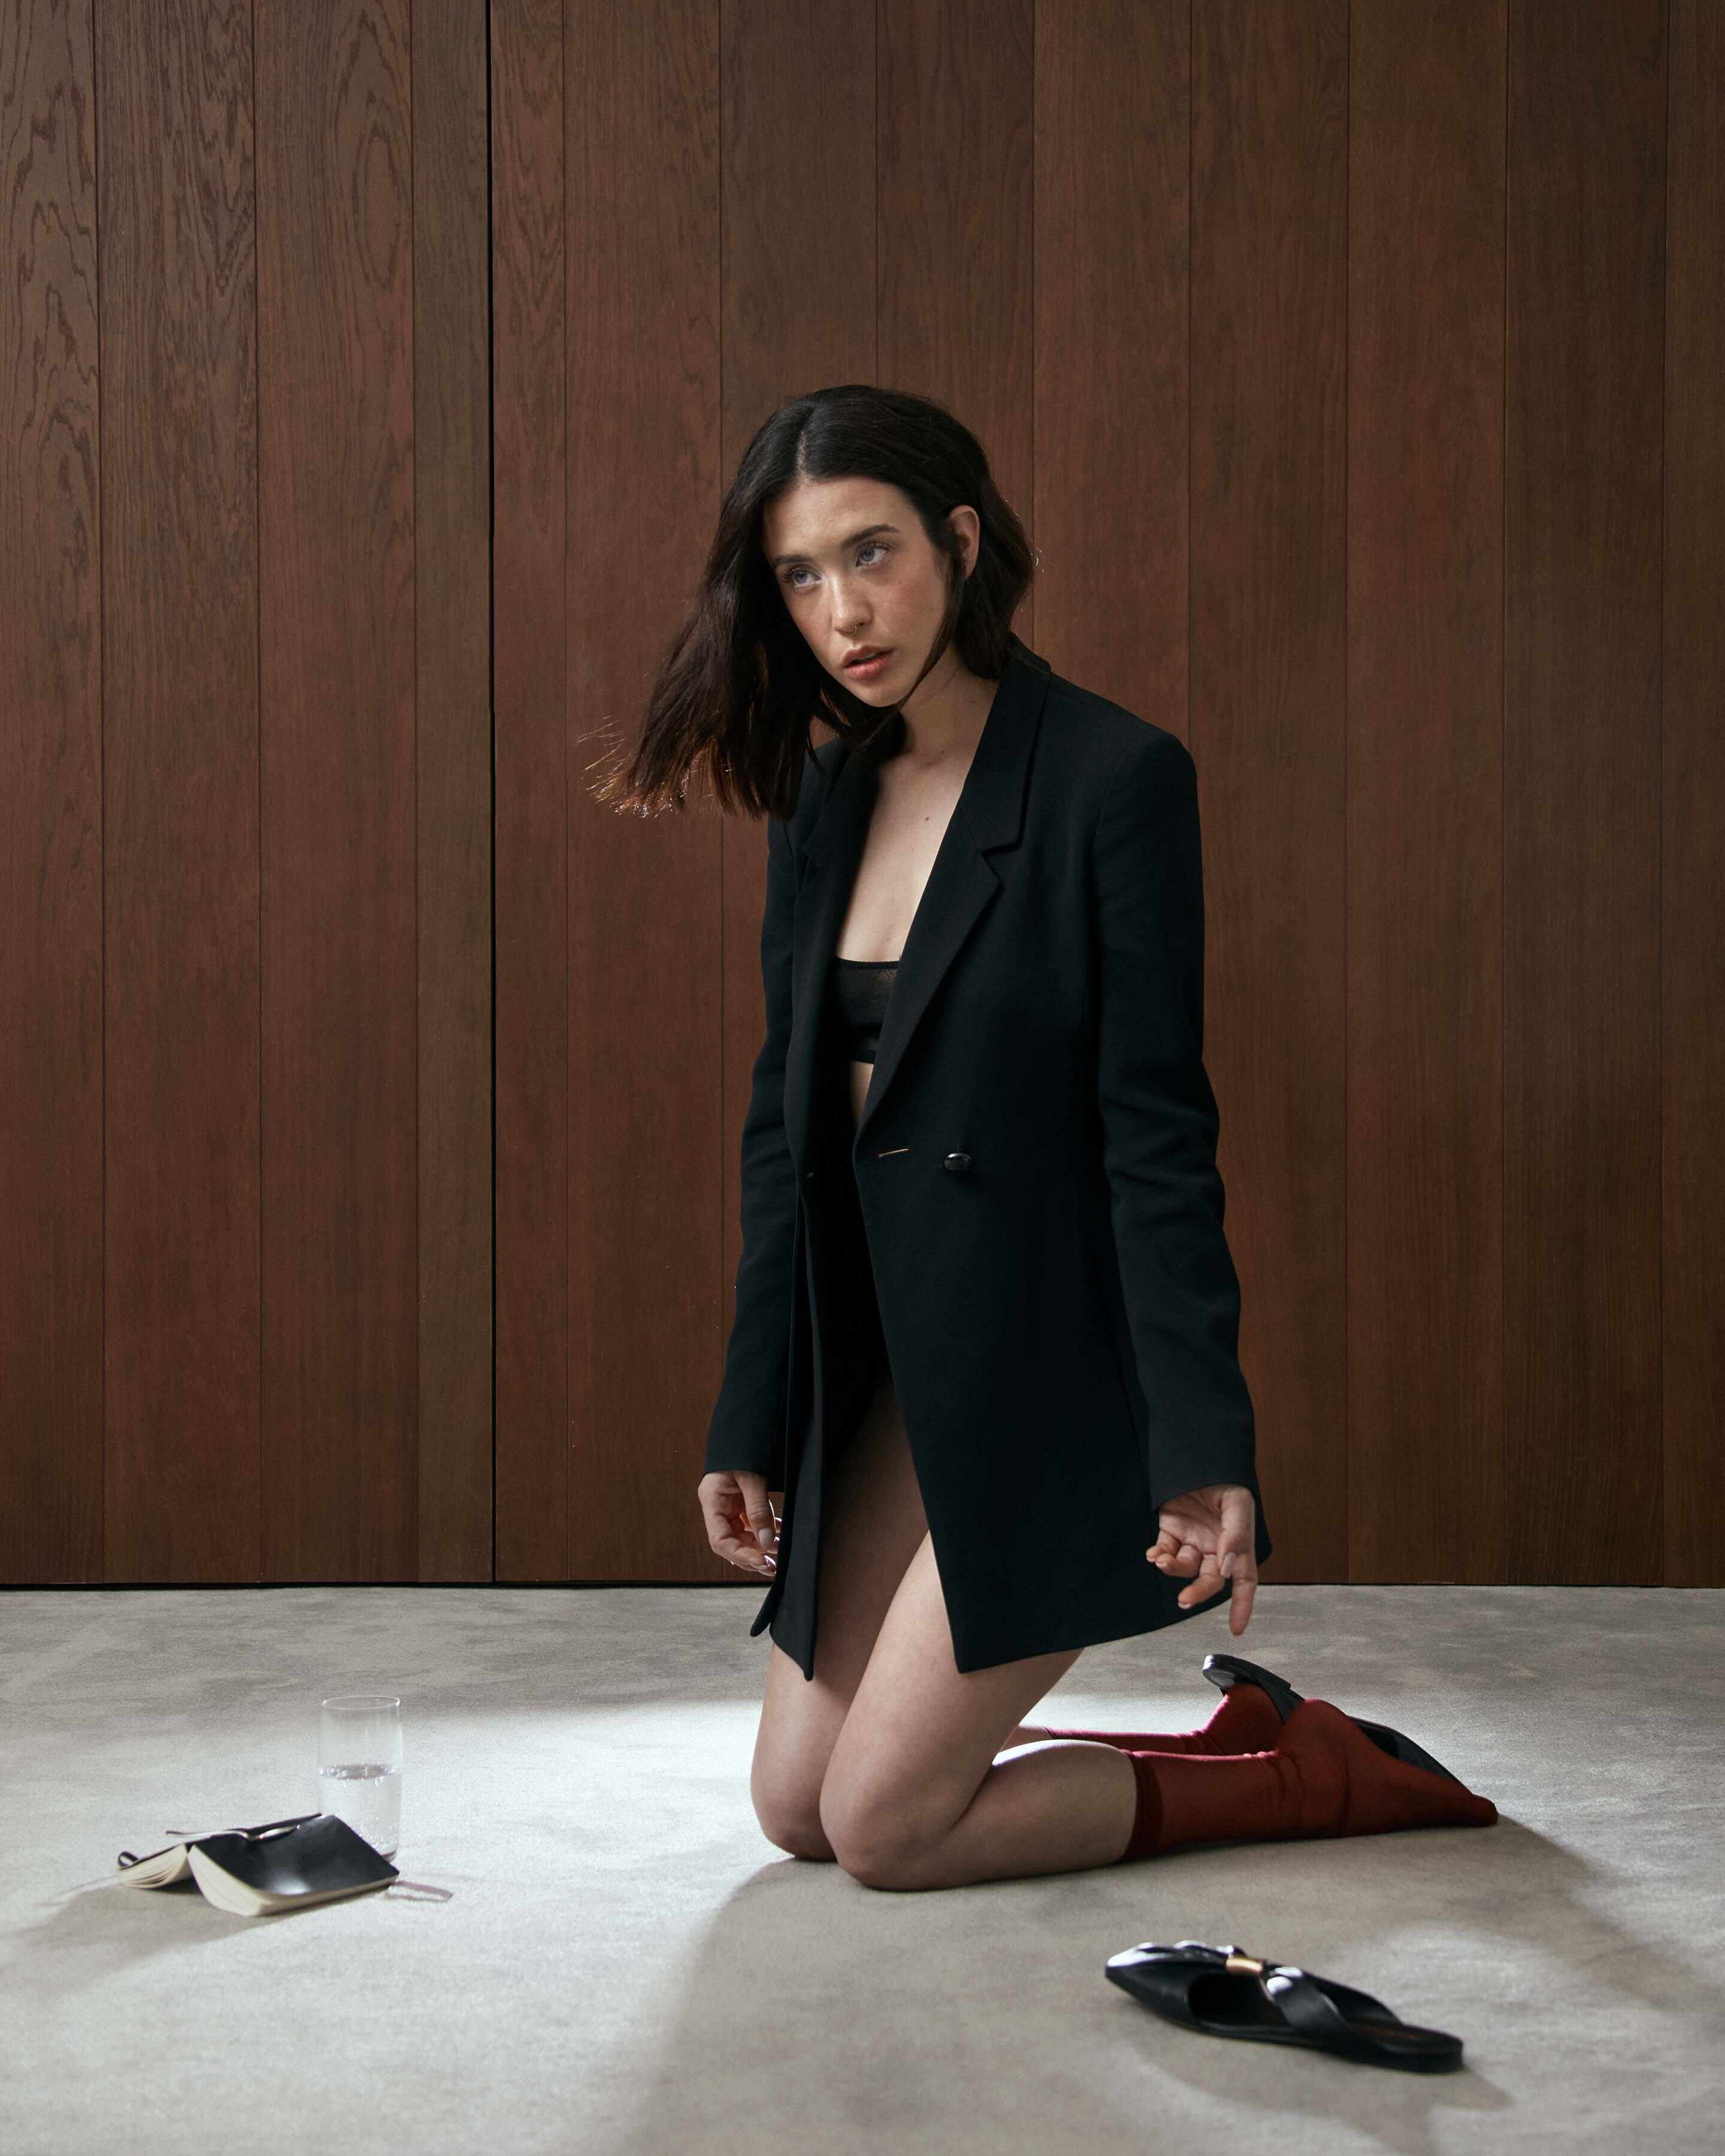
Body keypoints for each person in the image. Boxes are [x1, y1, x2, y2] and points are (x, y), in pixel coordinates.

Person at [597, 385, 1497, 1890]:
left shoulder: (1110, 780)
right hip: (897, 1362)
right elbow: (784, 1129)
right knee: (799, 1810)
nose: (842, 613)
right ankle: (1217, 1740)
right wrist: (753, 1414)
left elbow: (1157, 1137)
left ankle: (1306, 1774)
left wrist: (1202, 1446)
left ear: (959, 542)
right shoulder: (826, 794)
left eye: (872, 553)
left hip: (1056, 1375)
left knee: (887, 1834)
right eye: (801, 576)